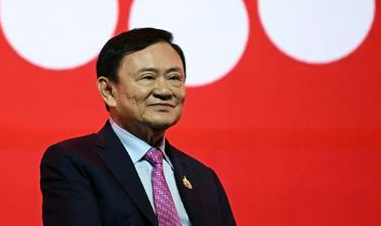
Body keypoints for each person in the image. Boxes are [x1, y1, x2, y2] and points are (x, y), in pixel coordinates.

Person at [40, 27, 236, 225]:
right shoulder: (74, 161)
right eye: (148, 77)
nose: (164, 91)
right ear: (108, 91)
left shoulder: (204, 178)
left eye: (174, 78)